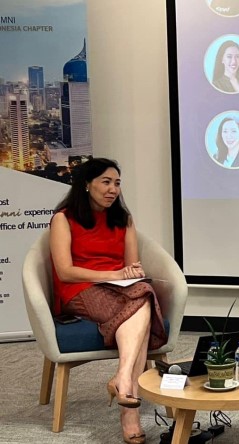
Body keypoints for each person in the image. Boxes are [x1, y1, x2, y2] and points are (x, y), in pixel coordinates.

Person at [50, 158, 167, 444]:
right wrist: (113, 273)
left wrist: (131, 273)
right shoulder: (63, 218)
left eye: (117, 183)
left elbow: (132, 267)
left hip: (118, 289)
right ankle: (129, 410)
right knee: (143, 303)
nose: (113, 189)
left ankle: (123, 381)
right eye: (105, 182)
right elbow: (65, 271)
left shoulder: (123, 219)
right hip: (79, 290)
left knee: (143, 293)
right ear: (86, 185)